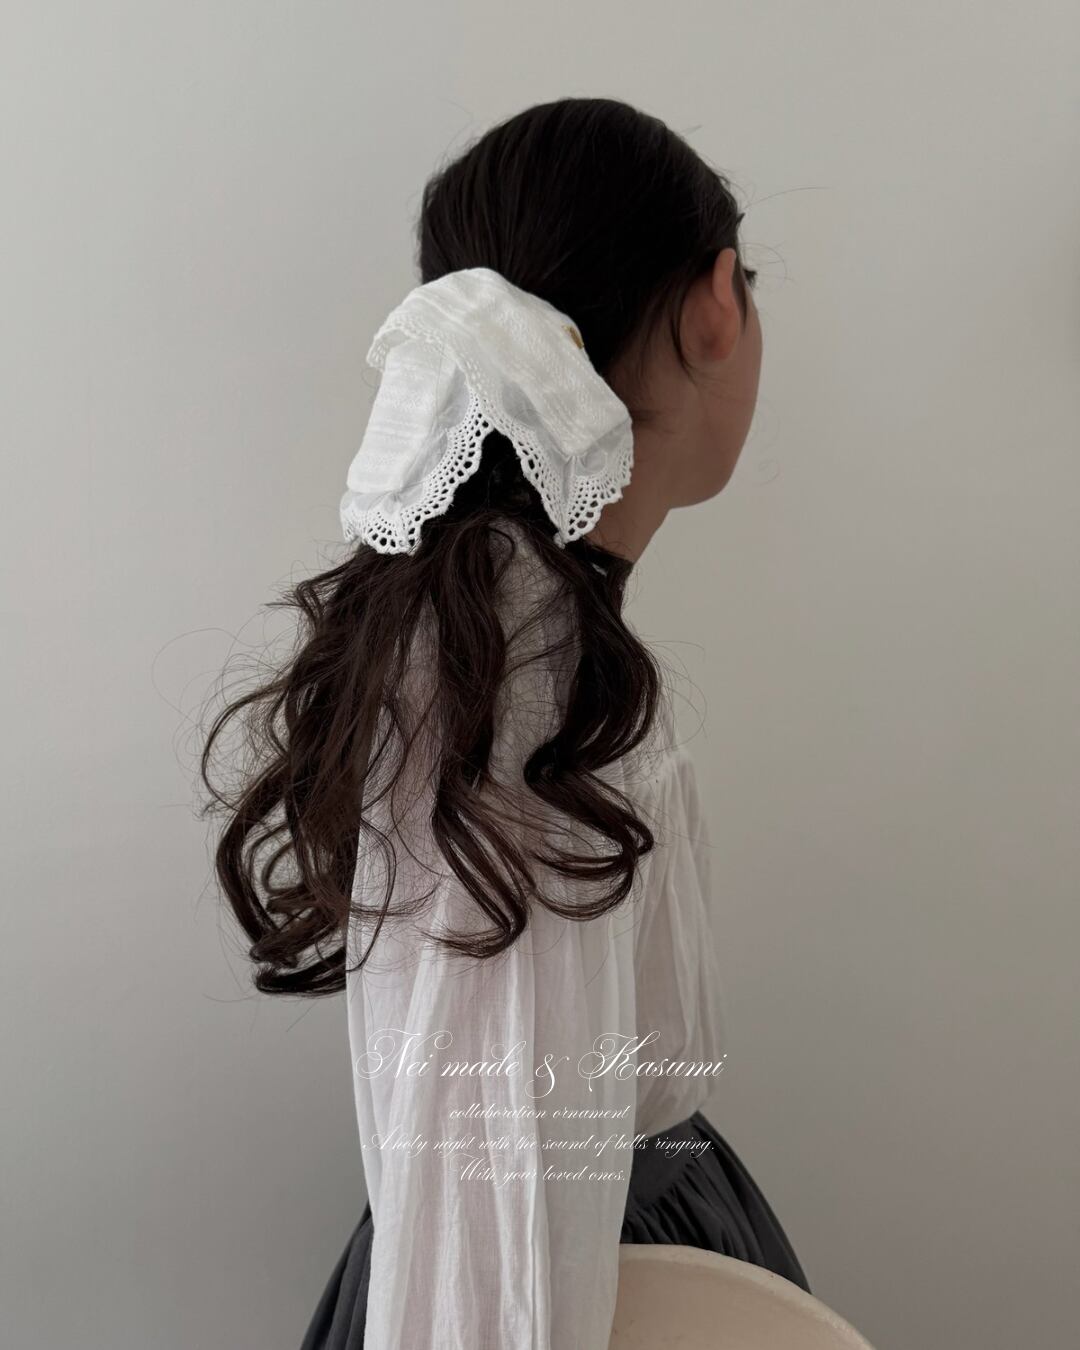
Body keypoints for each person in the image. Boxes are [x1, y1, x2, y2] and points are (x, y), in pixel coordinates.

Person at [200, 96, 809, 1350]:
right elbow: (502, 1180)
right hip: (583, 1278)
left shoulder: (504, 629)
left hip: (604, 1238)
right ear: (716, 306)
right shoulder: (517, 675)